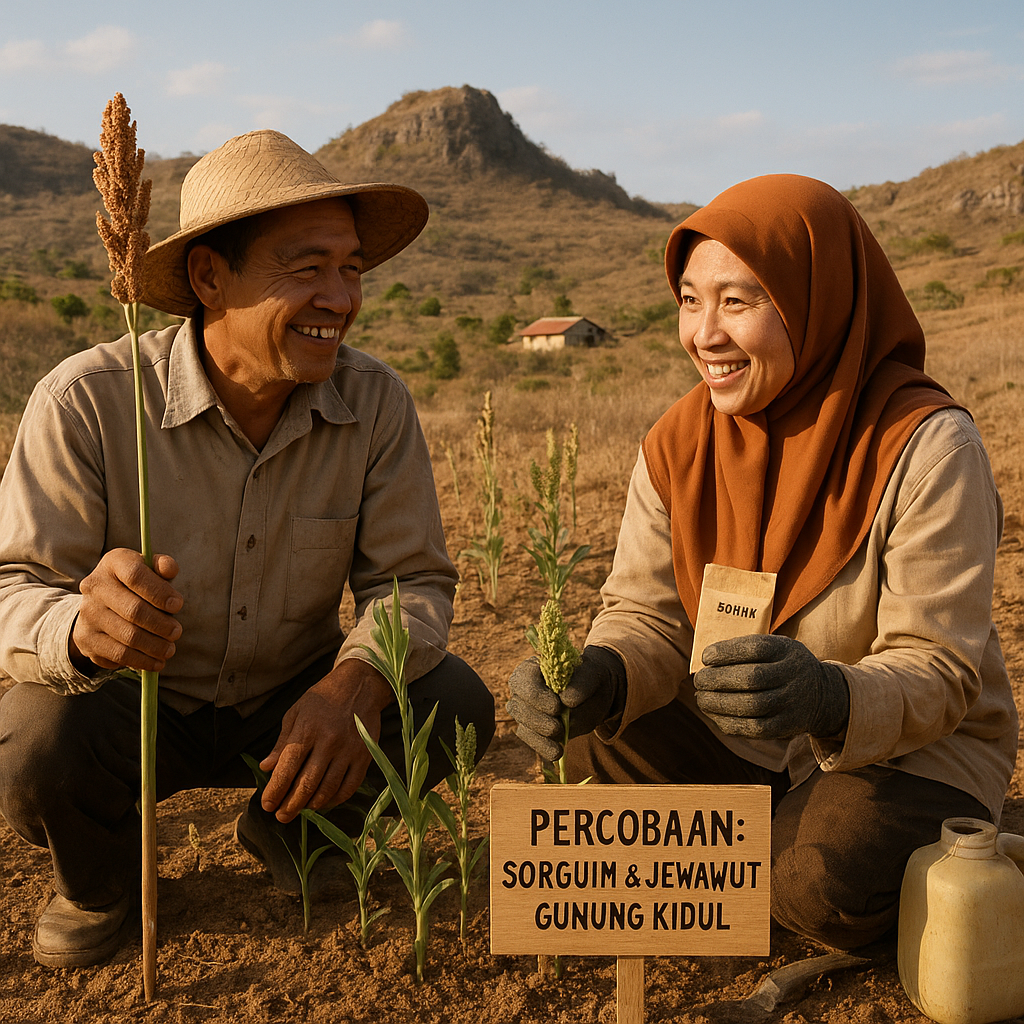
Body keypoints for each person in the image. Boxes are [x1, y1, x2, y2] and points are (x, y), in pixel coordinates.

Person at [0, 130, 495, 968]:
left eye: (351, 269)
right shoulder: (87, 401)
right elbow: (13, 588)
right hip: (134, 711)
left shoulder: (374, 404)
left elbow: (413, 582)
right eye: (306, 269)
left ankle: (298, 827)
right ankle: (103, 882)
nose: (338, 297)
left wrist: (355, 682)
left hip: (289, 713)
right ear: (208, 278)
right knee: (33, 732)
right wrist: (82, 627)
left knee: (452, 703)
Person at [507, 174, 1018, 951]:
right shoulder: (676, 445)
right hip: (737, 738)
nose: (704, 334)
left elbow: (939, 667)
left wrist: (827, 697)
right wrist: (604, 672)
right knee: (591, 742)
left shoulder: (926, 445)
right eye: (689, 300)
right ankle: (752, 863)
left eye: (739, 302)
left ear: (818, 301)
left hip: (907, 748)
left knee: (819, 876)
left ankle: (769, 871)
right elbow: (645, 615)